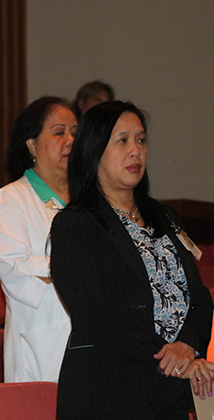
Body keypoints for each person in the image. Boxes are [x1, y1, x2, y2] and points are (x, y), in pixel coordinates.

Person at [50, 101, 213, 418]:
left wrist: (188, 347)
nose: (136, 151)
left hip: (169, 393)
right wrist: (169, 359)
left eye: (141, 140)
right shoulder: (76, 224)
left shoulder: (164, 216)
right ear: (94, 150)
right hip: (109, 390)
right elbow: (94, 313)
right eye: (122, 140)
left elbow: (199, 297)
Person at [0, 96, 76, 382]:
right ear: (32, 144)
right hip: (41, 340)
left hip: (93, 342)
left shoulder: (90, 201)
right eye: (59, 132)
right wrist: (77, 266)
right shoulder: (11, 199)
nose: (71, 140)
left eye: (76, 132)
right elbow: (15, 268)